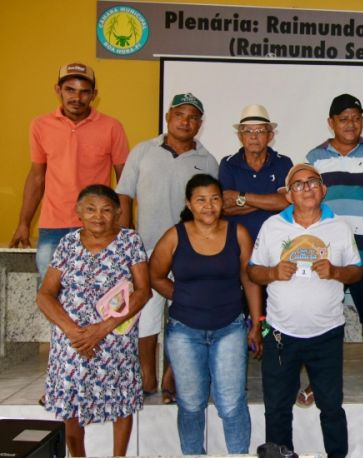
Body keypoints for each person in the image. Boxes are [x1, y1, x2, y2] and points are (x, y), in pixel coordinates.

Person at [248, 164, 363, 458]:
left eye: (312, 182)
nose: (306, 188)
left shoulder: (339, 227)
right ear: (288, 195)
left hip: (327, 333)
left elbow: (356, 271)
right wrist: (272, 272)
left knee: (331, 406)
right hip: (279, 334)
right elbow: (253, 271)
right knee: (277, 407)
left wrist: (336, 271)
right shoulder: (272, 226)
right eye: (298, 184)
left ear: (323, 190)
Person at [117, 92, 219, 403]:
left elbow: (211, 209)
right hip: (145, 248)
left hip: (189, 252)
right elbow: (124, 195)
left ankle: (173, 378)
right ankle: (147, 377)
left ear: (200, 124)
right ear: (168, 118)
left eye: (192, 117)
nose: (185, 121)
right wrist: (126, 239)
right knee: (145, 315)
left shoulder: (207, 161)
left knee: (185, 316)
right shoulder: (142, 151)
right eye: (180, 115)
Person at [37, 184, 151, 457]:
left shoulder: (130, 241)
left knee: (121, 401)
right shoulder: (68, 244)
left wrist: (102, 329)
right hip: (72, 341)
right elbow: (45, 295)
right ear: (78, 212)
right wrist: (73, 333)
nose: (98, 216)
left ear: (118, 213)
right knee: (71, 404)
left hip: (114, 337)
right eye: (90, 209)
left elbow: (142, 291)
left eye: (106, 210)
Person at [149, 174, 260, 455]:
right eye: (200, 200)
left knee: (232, 403)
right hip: (184, 332)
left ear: (222, 202)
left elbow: (249, 280)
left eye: (214, 199)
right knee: (190, 404)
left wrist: (257, 323)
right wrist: (185, 297)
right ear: (189, 203)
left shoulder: (238, 233)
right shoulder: (174, 236)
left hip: (230, 328)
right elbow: (155, 276)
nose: (208, 206)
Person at [305, 93, 363, 405]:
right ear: (331, 122)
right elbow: (305, 201)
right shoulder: (315, 157)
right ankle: (317, 382)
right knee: (321, 319)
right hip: (327, 255)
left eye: (356, 118)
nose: (351, 124)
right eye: (344, 119)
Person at [10, 62, 129, 281]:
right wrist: (23, 223)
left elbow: (125, 181)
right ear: (58, 90)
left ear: (94, 95)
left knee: (98, 291)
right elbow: (37, 177)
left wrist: (122, 227)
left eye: (84, 92)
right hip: (53, 226)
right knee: (50, 292)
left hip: (97, 225)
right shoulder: (40, 125)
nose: (77, 97)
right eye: (70, 90)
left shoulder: (112, 127)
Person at [219, 104, 292, 241]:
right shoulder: (228, 164)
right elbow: (225, 207)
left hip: (276, 241)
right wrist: (270, 201)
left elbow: (286, 202)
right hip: (237, 242)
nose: (253, 136)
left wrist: (238, 196)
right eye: (248, 131)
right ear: (240, 136)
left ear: (270, 136)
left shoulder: (283, 162)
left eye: (260, 130)